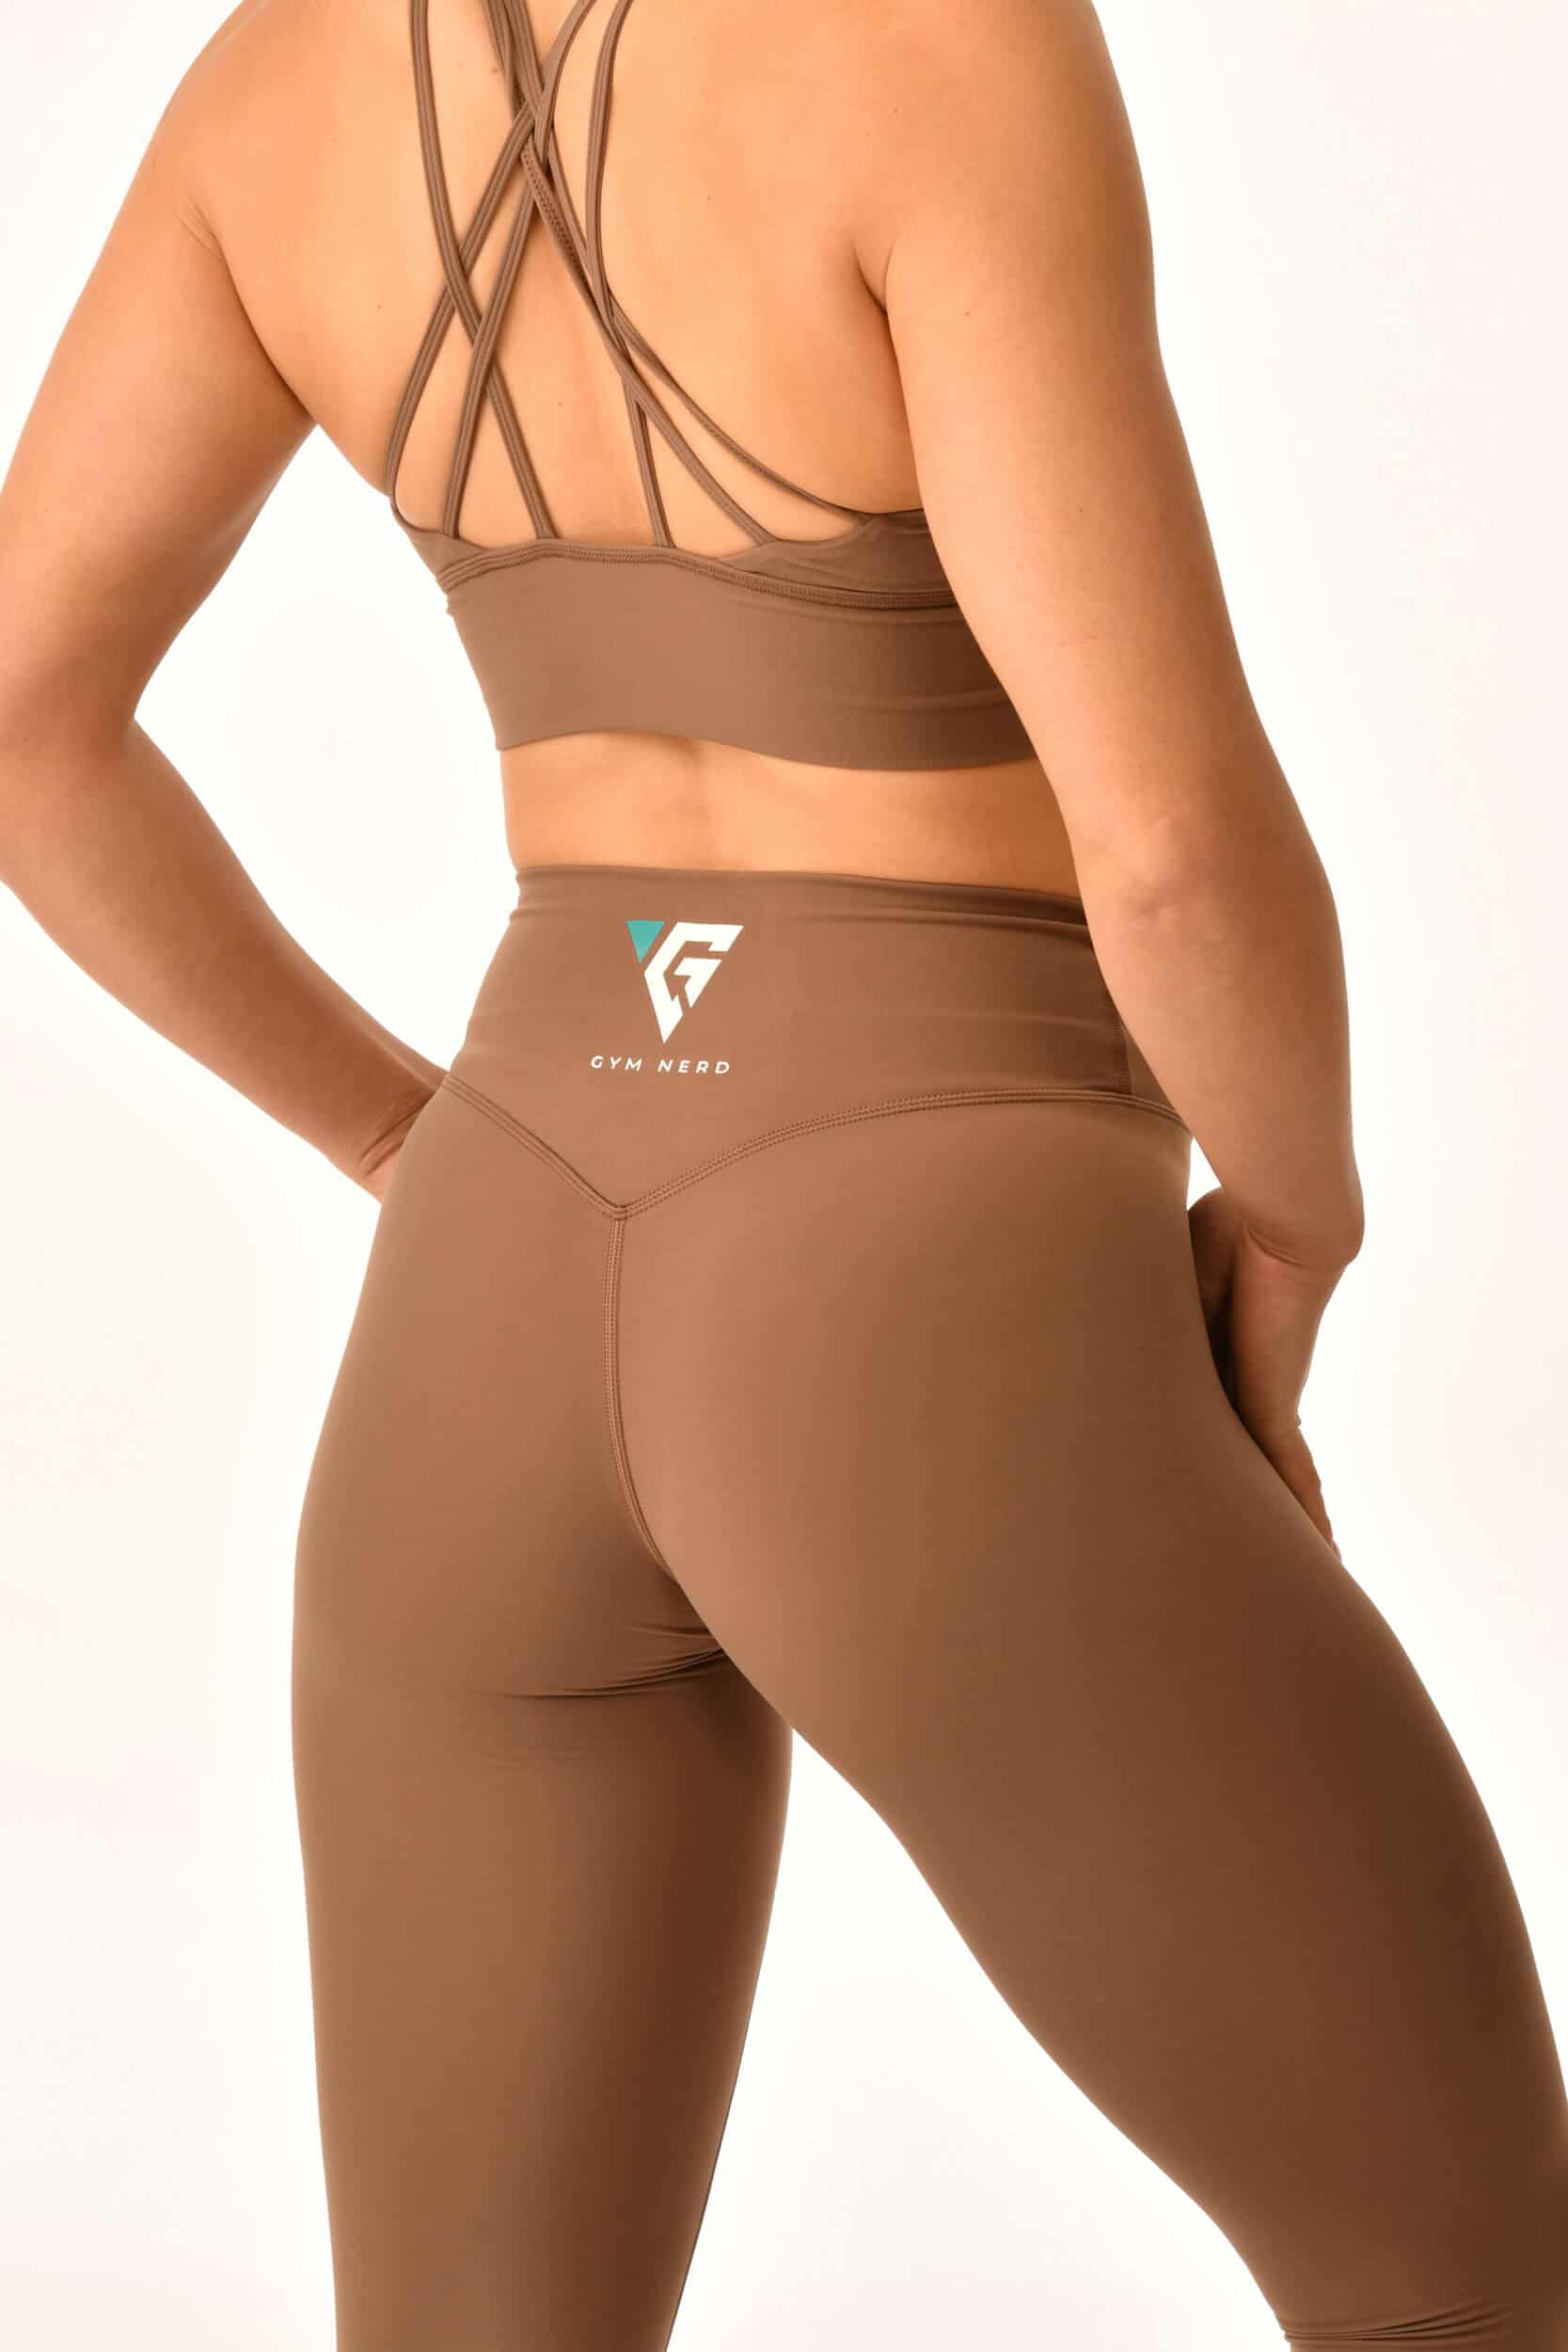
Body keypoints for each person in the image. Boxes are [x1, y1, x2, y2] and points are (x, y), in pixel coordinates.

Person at [1, 0, 1564, 2345]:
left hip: (490, 1273)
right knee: (1463, 2271)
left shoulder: (272, 88)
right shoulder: (941, 43)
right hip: (921, 1250)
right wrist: (1292, 1220)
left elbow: (24, 714)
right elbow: (1167, 847)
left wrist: (401, 1137)